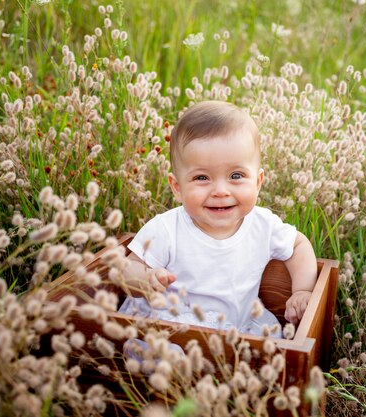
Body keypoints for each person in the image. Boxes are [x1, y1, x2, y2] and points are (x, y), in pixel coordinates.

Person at [118, 100, 318, 336]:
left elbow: (298, 245)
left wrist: (302, 291)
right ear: (177, 187)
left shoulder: (263, 225)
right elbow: (127, 268)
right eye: (202, 178)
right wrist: (147, 277)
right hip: (173, 327)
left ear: (257, 182)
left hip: (238, 326)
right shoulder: (167, 228)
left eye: (236, 175)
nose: (220, 191)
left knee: (268, 350)